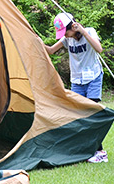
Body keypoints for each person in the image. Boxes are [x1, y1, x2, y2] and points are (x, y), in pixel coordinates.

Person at [45, 12, 108, 163]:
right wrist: (35, 41)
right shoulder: (67, 40)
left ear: (73, 26)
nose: (65, 35)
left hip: (93, 77)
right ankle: (85, 150)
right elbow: (51, 50)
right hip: (77, 81)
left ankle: (100, 152)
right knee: (78, 115)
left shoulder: (90, 32)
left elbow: (99, 49)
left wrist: (83, 31)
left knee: (92, 115)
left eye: (66, 31)